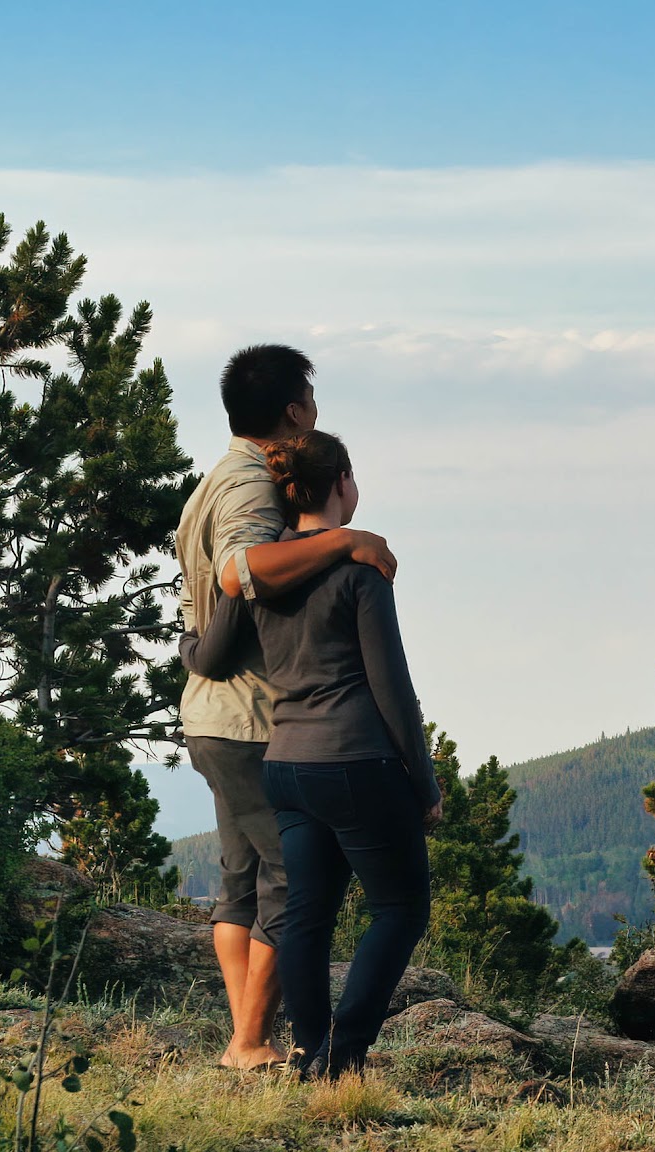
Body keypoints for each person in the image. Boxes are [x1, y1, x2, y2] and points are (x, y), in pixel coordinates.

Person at [183, 429, 440, 1080]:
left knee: (306, 915)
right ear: (342, 481)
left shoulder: (260, 571)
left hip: (286, 765)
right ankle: (344, 1054)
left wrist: (186, 647)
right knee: (400, 909)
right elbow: (392, 689)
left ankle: (305, 1052)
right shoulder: (361, 571)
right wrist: (425, 782)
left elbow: (210, 658)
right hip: (358, 760)